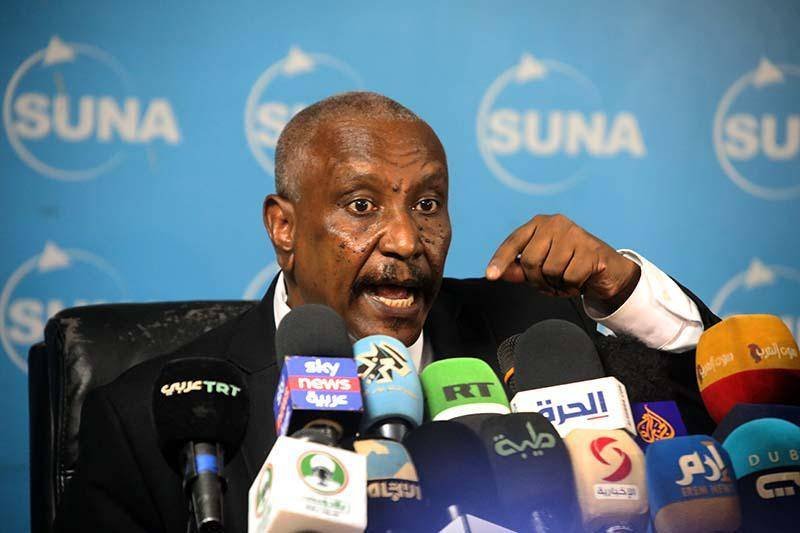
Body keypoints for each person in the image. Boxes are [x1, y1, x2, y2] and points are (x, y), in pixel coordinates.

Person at [55, 92, 718, 532]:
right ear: (284, 227)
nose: (405, 240)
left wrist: (622, 288)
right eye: (362, 206)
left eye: (427, 205)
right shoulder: (148, 418)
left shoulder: (534, 336)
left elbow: (717, 430)